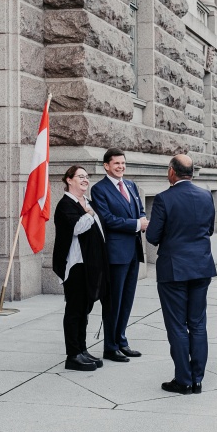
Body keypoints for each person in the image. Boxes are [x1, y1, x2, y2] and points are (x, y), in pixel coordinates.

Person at [146, 155, 217, 395]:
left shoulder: (164, 199)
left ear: (172, 173)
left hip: (173, 271)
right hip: (201, 266)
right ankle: (197, 380)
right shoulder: (207, 195)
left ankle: (183, 380)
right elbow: (209, 229)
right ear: (192, 173)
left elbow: (152, 236)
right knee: (197, 324)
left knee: (177, 325)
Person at [90, 148, 148, 363]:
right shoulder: (100, 190)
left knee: (127, 300)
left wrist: (141, 220)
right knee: (113, 301)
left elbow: (140, 210)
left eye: (123, 163)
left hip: (133, 252)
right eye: (116, 164)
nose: (121, 167)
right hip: (115, 255)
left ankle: (122, 341)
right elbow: (107, 219)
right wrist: (136, 224)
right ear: (106, 166)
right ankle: (110, 346)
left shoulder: (131, 185)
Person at [52, 166, 110, 371]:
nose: (85, 180)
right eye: (81, 177)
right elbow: (76, 228)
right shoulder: (65, 204)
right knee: (75, 310)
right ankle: (72, 355)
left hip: (91, 266)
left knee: (85, 310)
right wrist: (87, 213)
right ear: (69, 180)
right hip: (75, 266)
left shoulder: (88, 203)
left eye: (87, 177)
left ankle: (82, 350)